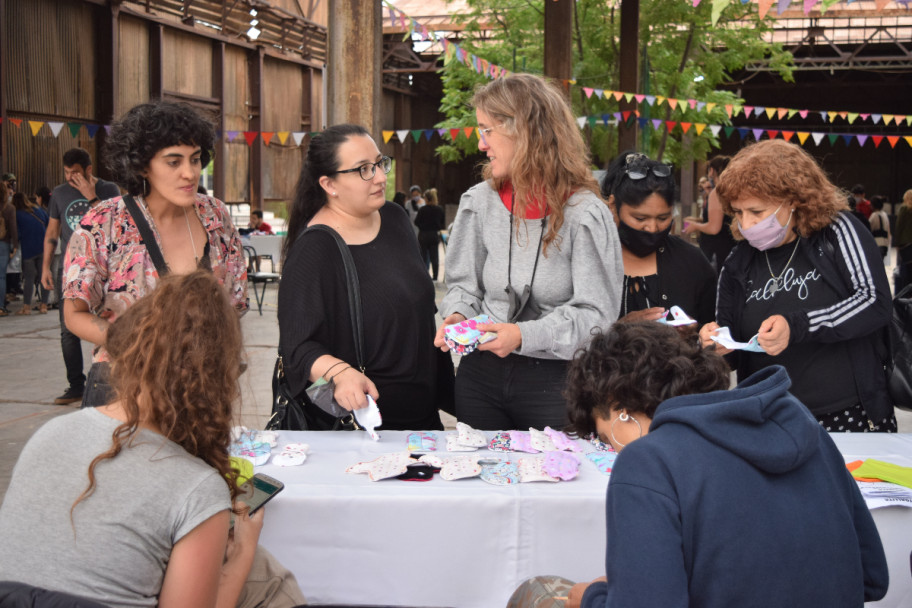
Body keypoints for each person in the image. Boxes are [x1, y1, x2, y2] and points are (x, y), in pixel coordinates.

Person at [508, 322, 888, 608]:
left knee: (537, 592)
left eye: (608, 439)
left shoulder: (649, 461)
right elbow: (872, 578)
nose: (615, 452)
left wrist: (594, 595)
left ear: (620, 411)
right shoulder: (800, 425)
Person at [0, 270, 305, 608]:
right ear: (219, 380)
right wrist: (244, 550)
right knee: (267, 577)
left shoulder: (49, 434)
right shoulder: (196, 488)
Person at [435, 73, 623, 431]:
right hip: (480, 378)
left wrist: (524, 335)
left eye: (487, 130)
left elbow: (597, 317)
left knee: (553, 484)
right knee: (480, 479)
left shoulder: (585, 213)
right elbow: (463, 285)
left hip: (558, 383)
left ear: (525, 131)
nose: (481, 144)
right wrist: (458, 314)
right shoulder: (478, 202)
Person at [699, 140, 896, 432]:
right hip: (767, 420)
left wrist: (798, 325)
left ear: (792, 199)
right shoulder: (737, 261)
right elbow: (734, 352)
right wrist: (716, 345)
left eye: (756, 211)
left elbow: (874, 302)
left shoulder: (836, 231)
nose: (746, 224)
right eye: (738, 213)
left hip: (848, 415)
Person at [63, 100, 248, 409]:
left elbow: (234, 306)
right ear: (141, 165)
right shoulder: (104, 222)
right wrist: (140, 347)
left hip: (199, 390)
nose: (190, 173)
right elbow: (75, 314)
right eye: (173, 162)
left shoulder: (215, 217)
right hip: (122, 385)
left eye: (195, 159)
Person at [278, 124, 443, 430]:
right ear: (329, 184)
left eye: (380, 163)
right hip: (362, 424)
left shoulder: (395, 218)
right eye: (364, 170)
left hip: (422, 415)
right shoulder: (315, 248)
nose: (381, 177)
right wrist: (340, 372)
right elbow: (297, 347)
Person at [41, 148, 121, 403]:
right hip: (72, 270)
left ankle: (116, 382)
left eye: (74, 172)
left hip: (107, 269)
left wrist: (90, 196)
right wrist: (46, 267)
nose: (69, 177)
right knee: (68, 330)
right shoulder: (60, 193)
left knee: (114, 324)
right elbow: (52, 232)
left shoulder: (109, 190)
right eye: (66, 172)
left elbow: (115, 226)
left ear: (88, 169)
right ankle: (76, 385)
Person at [600, 152, 715, 325]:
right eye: (640, 219)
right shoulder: (593, 260)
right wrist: (621, 328)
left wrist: (694, 335)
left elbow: (714, 331)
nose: (652, 228)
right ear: (613, 206)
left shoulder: (693, 262)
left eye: (663, 218)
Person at [682, 155, 736, 272]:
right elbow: (722, 220)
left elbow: (714, 228)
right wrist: (698, 220)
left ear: (712, 170)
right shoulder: (728, 190)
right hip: (728, 247)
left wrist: (695, 226)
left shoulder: (717, 192)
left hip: (717, 251)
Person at [11, 192, 49, 315]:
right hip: (43, 247)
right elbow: (47, 222)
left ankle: (26, 307)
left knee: (28, 279)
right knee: (44, 277)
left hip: (28, 250)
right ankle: (44, 305)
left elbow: (18, 234)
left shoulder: (17, 214)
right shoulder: (37, 209)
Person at [414, 187, 446, 281]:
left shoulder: (422, 209)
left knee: (423, 257)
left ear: (426, 199)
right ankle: (435, 277)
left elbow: (416, 222)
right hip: (434, 235)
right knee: (434, 257)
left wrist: (422, 226)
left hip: (423, 235)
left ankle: (424, 277)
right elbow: (442, 223)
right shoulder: (439, 209)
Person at [0, 180, 16, 316]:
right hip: (4, 244)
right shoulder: (9, 208)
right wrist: (15, 245)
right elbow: (13, 229)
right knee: (1, 277)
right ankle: (1, 306)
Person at [894, 189, 912, 291]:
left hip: (905, 244)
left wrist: (896, 243)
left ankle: (906, 292)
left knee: (905, 269)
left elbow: (899, 226)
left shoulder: (904, 208)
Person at [869, 195, 890, 261]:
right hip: (884, 243)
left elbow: (870, 228)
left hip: (876, 243)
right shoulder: (884, 214)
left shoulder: (874, 215)